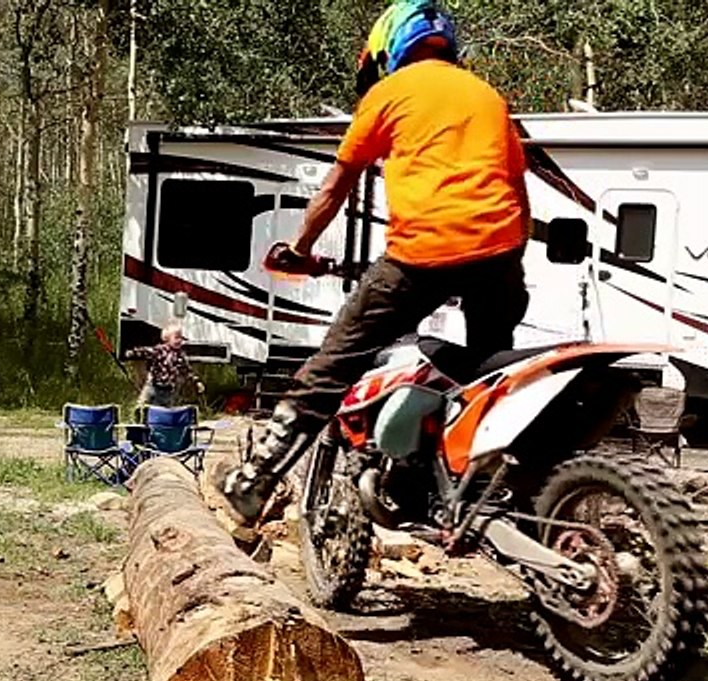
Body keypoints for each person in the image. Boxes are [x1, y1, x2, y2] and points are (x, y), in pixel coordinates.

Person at [218, 0, 532, 525]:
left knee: (335, 362)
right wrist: (507, 259)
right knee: (486, 371)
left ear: (389, 48)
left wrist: (300, 248)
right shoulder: (488, 96)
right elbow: (518, 193)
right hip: (498, 257)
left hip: (419, 255)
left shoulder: (389, 93)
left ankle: (254, 481)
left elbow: (336, 186)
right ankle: (470, 488)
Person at [125, 322, 205, 407]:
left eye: (181, 338)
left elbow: (187, 371)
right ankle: (139, 413)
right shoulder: (159, 350)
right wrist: (133, 352)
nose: (179, 340)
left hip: (168, 390)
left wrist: (197, 382)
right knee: (142, 405)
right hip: (153, 386)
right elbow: (146, 351)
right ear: (167, 338)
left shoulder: (180, 356)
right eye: (176, 337)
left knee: (164, 408)